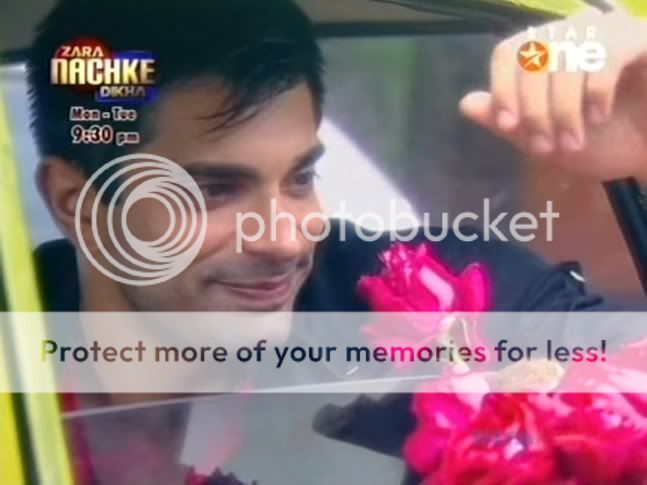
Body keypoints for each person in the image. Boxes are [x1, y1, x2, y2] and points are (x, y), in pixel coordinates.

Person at [24, 0, 647, 482]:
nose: (284, 239)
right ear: (77, 205)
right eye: (214, 191)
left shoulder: (438, 298)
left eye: (300, 178)